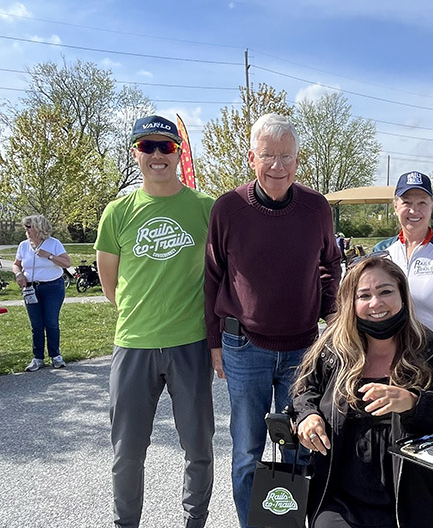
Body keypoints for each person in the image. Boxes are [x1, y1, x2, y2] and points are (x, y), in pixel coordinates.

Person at [205, 113, 342, 528]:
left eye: (287, 156)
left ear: (298, 161)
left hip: (303, 347)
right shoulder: (228, 208)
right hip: (245, 346)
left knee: (301, 446)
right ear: (252, 158)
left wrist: (331, 318)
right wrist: (214, 342)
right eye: (268, 156)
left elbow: (330, 264)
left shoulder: (315, 207)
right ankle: (254, 525)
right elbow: (213, 276)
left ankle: (291, 522)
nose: (278, 166)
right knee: (247, 450)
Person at [95, 115, 216, 528]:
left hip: (190, 344)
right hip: (134, 345)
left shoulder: (205, 209)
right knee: (127, 451)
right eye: (148, 146)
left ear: (179, 152)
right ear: (136, 154)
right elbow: (110, 284)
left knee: (198, 446)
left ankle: (194, 521)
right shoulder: (118, 212)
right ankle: (125, 523)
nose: (158, 154)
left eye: (166, 146)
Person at [291, 256, 433, 528]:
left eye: (386, 291)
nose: (376, 303)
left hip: (417, 499)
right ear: (351, 303)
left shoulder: (428, 348)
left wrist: (413, 403)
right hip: (341, 498)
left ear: (402, 295)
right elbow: (305, 391)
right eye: (364, 295)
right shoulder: (333, 351)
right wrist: (307, 416)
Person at [373, 171, 433, 345]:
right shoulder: (381, 252)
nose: (414, 210)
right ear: (395, 206)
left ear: (432, 206)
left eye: (422, 202)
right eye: (406, 202)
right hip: (393, 357)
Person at [13, 214, 71, 372]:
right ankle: (38, 358)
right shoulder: (23, 245)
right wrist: (19, 274)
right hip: (31, 289)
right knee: (36, 325)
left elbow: (67, 263)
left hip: (53, 287)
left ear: (39, 228)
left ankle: (56, 356)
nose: (26, 229)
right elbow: (16, 264)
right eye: (26, 226)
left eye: (29, 226)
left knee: (51, 322)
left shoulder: (54, 244)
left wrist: (50, 256)